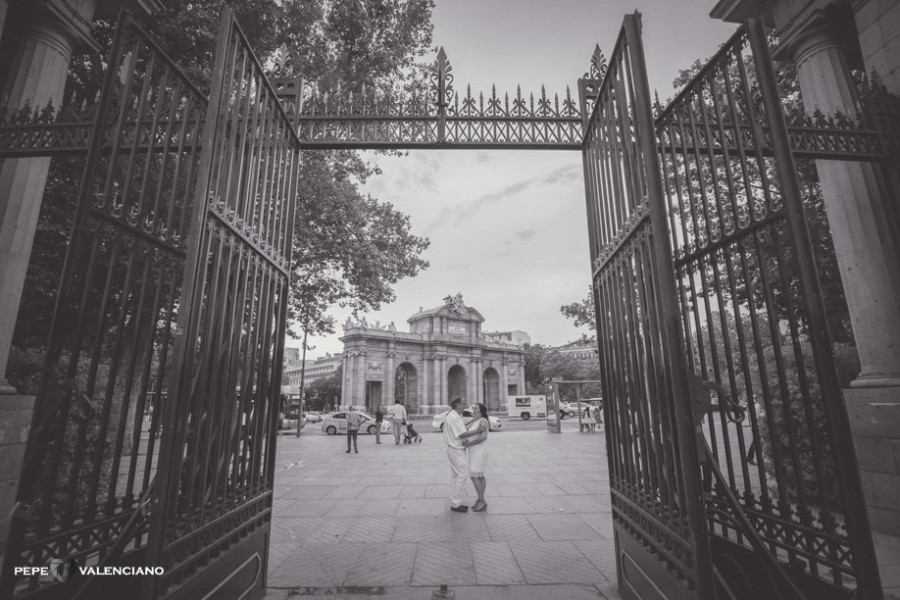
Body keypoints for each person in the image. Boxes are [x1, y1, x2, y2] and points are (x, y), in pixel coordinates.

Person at [458, 402, 489, 512]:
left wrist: (470, 443)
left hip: (479, 451)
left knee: (474, 475)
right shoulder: (476, 420)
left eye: (476, 409)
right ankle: (481, 500)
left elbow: (483, 437)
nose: (473, 410)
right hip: (475, 451)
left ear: (481, 411)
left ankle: (481, 500)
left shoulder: (483, 421)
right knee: (479, 475)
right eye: (473, 408)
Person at [442, 397, 470, 513]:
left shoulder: (452, 416)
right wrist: (478, 430)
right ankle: (456, 503)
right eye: (463, 403)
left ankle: (455, 500)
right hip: (457, 450)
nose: (465, 405)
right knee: (462, 476)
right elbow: (462, 434)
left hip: (452, 449)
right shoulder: (454, 418)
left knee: (456, 477)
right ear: (457, 405)